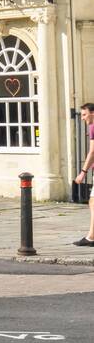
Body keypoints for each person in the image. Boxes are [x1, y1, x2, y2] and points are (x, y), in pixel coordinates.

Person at [74, 103, 94, 246]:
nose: (82, 118)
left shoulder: (93, 127)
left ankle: (91, 237)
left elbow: (92, 151)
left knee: (93, 202)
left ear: (93, 113)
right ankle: (91, 236)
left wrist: (83, 172)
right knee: (93, 202)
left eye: (84, 114)